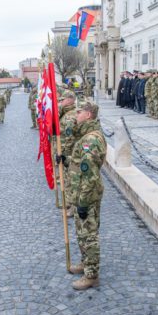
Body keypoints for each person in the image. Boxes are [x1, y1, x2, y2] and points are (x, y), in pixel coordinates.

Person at [66, 102, 107, 290]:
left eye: (80, 112)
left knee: (89, 235)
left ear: (89, 115)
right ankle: (85, 262)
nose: (76, 114)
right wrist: (65, 160)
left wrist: (82, 201)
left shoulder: (90, 140)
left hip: (87, 196)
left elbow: (90, 175)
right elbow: (79, 164)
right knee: (82, 233)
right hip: (82, 194)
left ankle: (92, 275)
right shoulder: (85, 136)